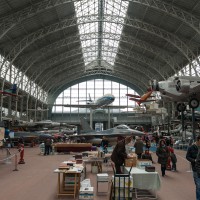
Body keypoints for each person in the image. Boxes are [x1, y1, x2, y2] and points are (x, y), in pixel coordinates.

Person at [186, 135, 200, 200]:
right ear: (198, 140)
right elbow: (187, 156)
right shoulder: (191, 147)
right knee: (198, 186)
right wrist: (193, 160)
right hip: (195, 169)